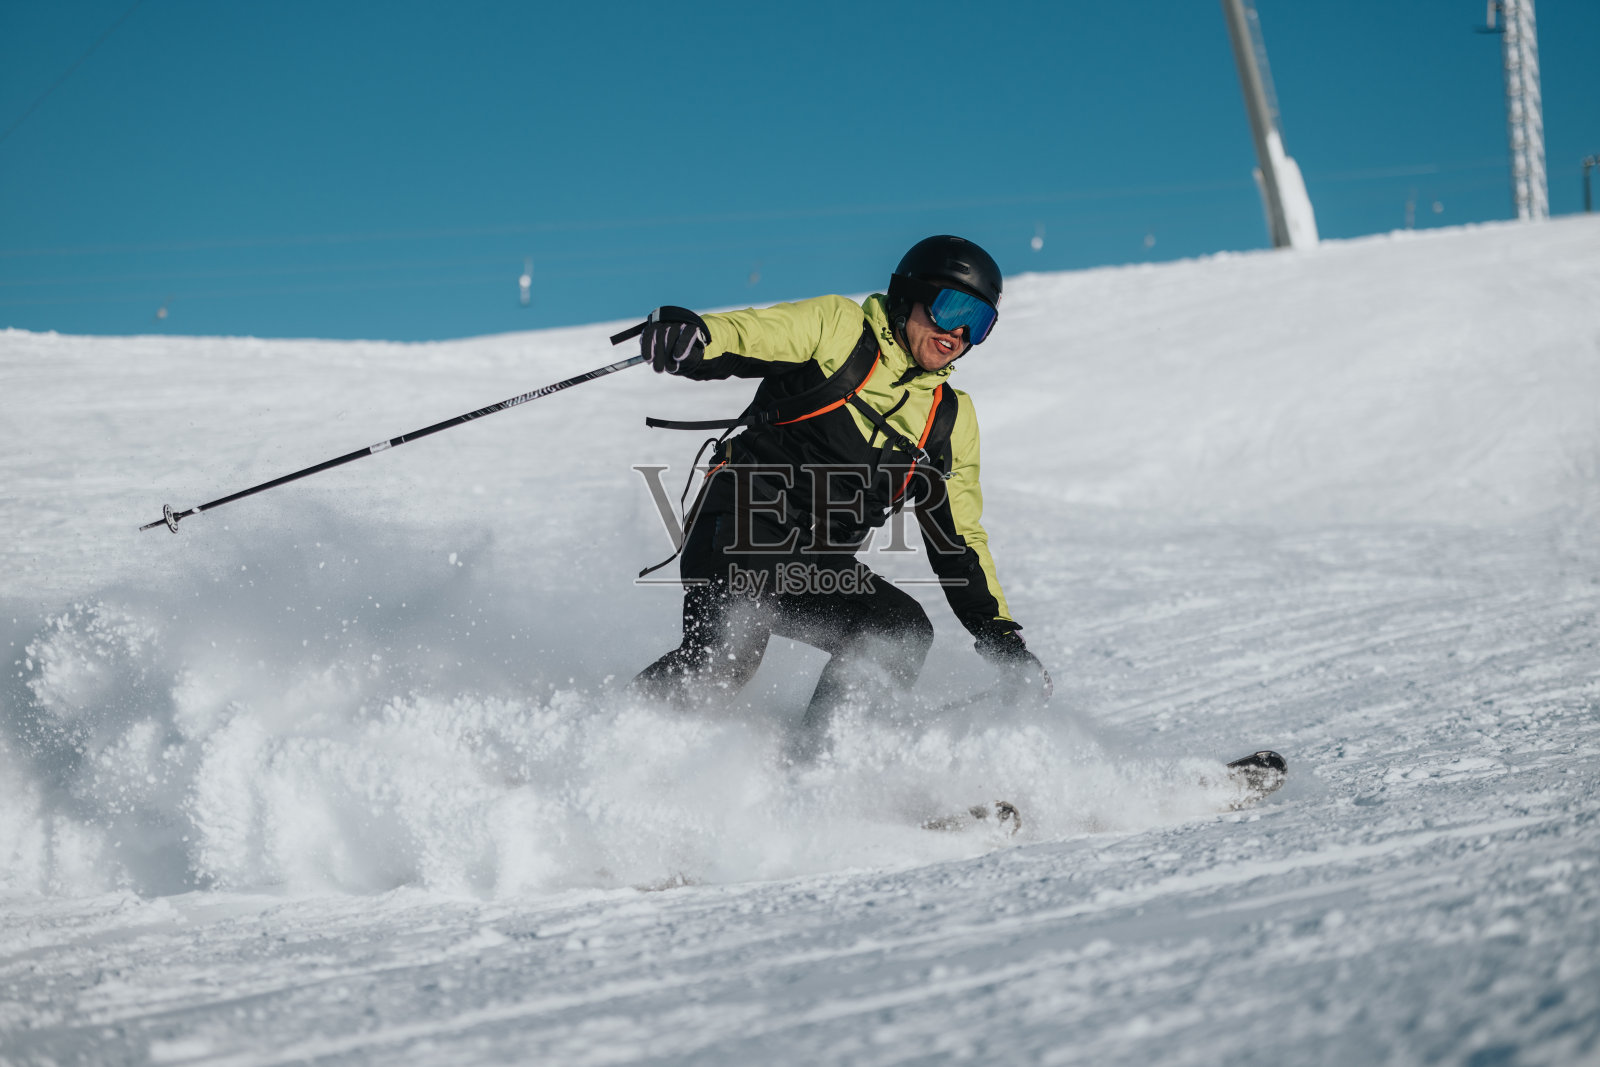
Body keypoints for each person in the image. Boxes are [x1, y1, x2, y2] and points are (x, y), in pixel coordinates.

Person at [630, 235, 1050, 756]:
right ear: (910, 295)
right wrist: (696, 336)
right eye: (951, 308)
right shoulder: (841, 330)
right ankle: (610, 736)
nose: (958, 333)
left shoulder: (946, 418)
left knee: (898, 630)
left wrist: (1000, 637)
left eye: (979, 323)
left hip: (812, 564)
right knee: (726, 658)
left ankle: (821, 766)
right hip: (738, 526)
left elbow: (958, 541)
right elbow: (754, 334)